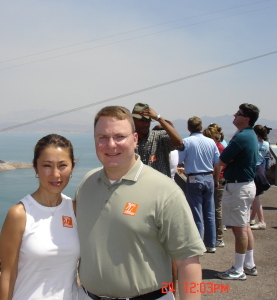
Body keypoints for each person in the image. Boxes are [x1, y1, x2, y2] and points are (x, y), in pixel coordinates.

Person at [75, 106, 205, 300]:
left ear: (135, 140)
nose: (111, 144)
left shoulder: (165, 191)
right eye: (102, 137)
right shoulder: (86, 183)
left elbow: (188, 261)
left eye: (120, 136)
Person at [0, 134, 81, 300]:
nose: (56, 174)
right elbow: (7, 277)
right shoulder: (19, 214)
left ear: (72, 166)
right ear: (35, 167)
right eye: (47, 166)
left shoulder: (74, 209)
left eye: (62, 165)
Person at [216, 103, 260, 281]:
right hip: (245, 185)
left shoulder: (241, 137)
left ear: (246, 119)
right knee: (245, 226)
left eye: (239, 113)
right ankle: (248, 265)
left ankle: (238, 269)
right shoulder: (248, 135)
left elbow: (223, 159)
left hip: (238, 187)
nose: (235, 115)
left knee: (239, 229)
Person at [178, 117, 219, 253]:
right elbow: (217, 161)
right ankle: (211, 243)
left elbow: (179, 159)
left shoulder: (187, 142)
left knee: (196, 212)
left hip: (194, 178)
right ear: (201, 127)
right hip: (209, 177)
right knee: (209, 212)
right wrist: (216, 179)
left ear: (189, 128)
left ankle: (198, 243)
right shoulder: (211, 142)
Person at [132, 103, 184, 177]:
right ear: (133, 120)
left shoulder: (159, 137)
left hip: (160, 186)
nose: (145, 124)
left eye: (147, 121)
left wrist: (159, 118)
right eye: (141, 121)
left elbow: (179, 143)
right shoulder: (127, 140)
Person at [203, 124, 226, 248]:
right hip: (212, 178)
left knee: (216, 209)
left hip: (218, 178)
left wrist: (216, 180)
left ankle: (219, 236)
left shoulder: (219, 148)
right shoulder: (215, 146)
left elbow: (219, 165)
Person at [250, 125, 271, 230]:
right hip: (260, 168)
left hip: (254, 169)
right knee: (255, 196)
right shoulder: (266, 144)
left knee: (255, 197)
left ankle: (261, 221)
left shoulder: (255, 144)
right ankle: (252, 218)